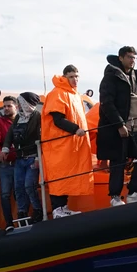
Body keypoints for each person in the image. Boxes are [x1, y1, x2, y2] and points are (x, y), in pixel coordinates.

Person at [99, 46, 137, 207]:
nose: (133, 60)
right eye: (130, 57)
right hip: (120, 129)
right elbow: (106, 103)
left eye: (135, 58)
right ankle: (115, 197)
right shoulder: (111, 76)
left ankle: (134, 192)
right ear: (121, 57)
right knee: (118, 162)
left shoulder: (135, 75)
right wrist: (119, 125)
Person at [41, 65, 94, 218]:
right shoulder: (57, 93)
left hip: (71, 145)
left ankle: (63, 207)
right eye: (71, 76)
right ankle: (57, 209)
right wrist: (75, 129)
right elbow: (57, 120)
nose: (75, 79)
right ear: (64, 77)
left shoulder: (75, 95)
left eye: (77, 76)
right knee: (60, 175)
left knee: (68, 175)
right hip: (59, 144)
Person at [2, 92, 44, 223]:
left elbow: (40, 136)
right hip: (19, 158)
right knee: (18, 187)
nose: (19, 105)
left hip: (32, 157)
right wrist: (5, 148)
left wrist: (38, 157)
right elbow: (10, 134)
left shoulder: (37, 117)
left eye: (21, 102)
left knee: (29, 185)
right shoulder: (18, 118)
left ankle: (38, 210)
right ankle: (22, 213)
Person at [0, 96, 19, 228]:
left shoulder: (22, 121)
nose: (6, 108)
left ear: (16, 107)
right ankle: (8, 223)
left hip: (21, 162)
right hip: (6, 164)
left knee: (22, 192)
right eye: (4, 106)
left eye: (9, 106)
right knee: (5, 194)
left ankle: (23, 218)